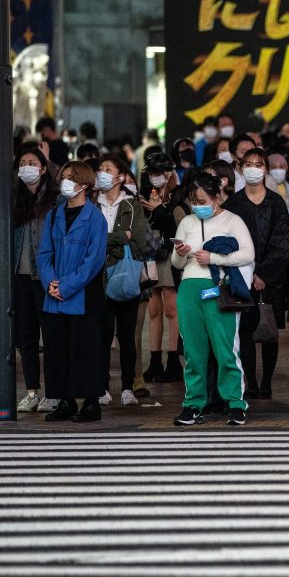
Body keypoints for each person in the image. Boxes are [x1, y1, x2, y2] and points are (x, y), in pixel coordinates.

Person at [170, 170, 256, 427]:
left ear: (216, 198)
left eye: (202, 201)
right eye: (193, 202)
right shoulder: (187, 222)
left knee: (225, 348)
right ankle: (192, 404)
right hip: (189, 288)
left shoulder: (233, 220)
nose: (197, 206)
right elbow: (176, 263)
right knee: (193, 351)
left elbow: (248, 253)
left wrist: (214, 258)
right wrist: (180, 252)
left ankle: (236, 403)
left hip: (219, 289)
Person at [36, 161, 109, 422]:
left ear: (84, 184)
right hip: (54, 296)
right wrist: (50, 282)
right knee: (57, 349)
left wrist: (65, 286)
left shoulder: (95, 218)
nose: (65, 182)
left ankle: (91, 403)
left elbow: (93, 261)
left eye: (71, 177)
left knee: (86, 349)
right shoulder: (54, 215)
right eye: (63, 177)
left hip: (84, 296)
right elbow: (44, 253)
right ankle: (65, 401)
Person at [224, 148, 289, 401]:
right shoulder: (233, 204)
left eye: (258, 164)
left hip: (273, 279)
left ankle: (267, 382)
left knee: (269, 330)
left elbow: (284, 241)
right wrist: (247, 271)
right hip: (241, 276)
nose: (253, 168)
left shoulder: (276, 202)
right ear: (241, 168)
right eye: (248, 163)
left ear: (265, 170)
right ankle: (251, 382)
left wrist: (264, 272)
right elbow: (227, 239)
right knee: (244, 329)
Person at [94, 154, 150, 406]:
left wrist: (108, 242)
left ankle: (128, 387)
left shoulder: (132, 205)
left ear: (121, 176)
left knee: (127, 337)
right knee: (102, 337)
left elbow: (138, 240)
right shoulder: (92, 204)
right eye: (100, 168)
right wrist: (119, 237)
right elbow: (91, 240)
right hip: (98, 277)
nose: (102, 173)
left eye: (108, 169)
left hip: (125, 275)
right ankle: (102, 387)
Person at [9, 147, 58, 411]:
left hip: (45, 276)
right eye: (22, 163)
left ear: (42, 168)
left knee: (50, 336)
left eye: (32, 162)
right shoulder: (13, 199)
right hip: (21, 275)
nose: (26, 166)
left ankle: (53, 392)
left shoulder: (55, 199)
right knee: (26, 337)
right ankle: (31, 392)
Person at [140, 149, 181, 385]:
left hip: (170, 250)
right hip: (151, 251)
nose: (154, 177)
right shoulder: (146, 193)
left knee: (171, 309)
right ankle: (155, 361)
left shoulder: (179, 195)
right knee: (154, 309)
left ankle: (174, 361)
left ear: (169, 173)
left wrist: (159, 210)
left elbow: (177, 227)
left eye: (159, 172)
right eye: (151, 172)